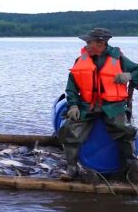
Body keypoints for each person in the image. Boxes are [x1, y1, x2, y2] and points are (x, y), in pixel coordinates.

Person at [59, 28, 138, 181]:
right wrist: (73, 105)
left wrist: (129, 75)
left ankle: (131, 168)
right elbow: (71, 87)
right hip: (87, 106)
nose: (86, 45)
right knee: (70, 129)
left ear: (101, 43)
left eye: (89, 42)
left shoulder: (119, 59)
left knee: (125, 130)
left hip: (113, 106)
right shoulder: (80, 60)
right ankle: (72, 168)